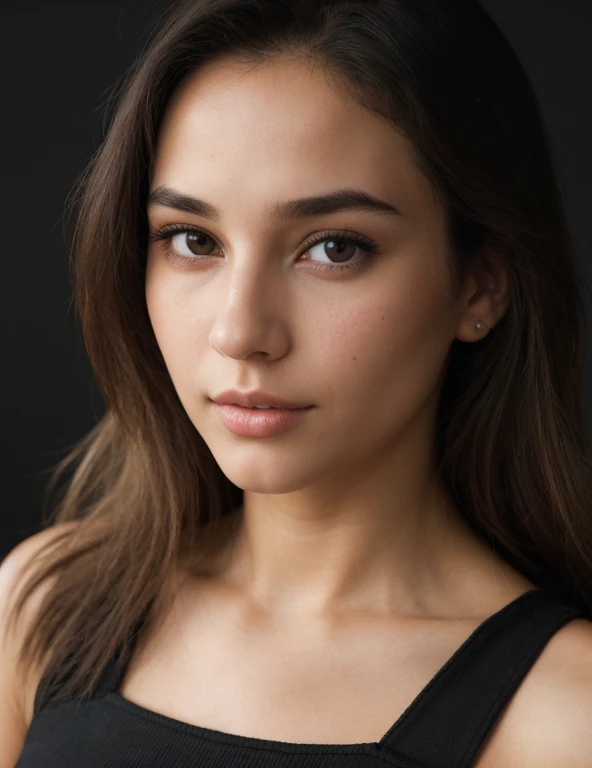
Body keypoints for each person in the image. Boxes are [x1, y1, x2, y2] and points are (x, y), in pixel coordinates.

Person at [3, 0, 592, 765]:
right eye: (192, 240)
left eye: (335, 249)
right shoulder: (46, 606)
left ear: (480, 286)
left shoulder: (565, 715)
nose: (240, 331)